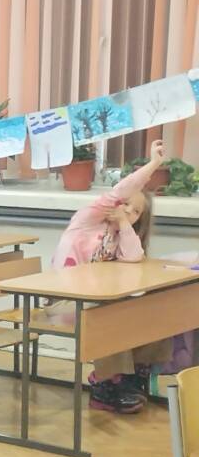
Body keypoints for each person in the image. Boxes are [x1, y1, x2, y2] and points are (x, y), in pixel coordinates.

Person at [52, 138, 173, 412]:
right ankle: (105, 384)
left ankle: (132, 379)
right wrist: (154, 163)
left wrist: (123, 224)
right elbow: (122, 189)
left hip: (95, 301)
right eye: (126, 204)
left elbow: (134, 256)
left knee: (155, 308)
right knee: (112, 315)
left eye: (136, 212)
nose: (128, 211)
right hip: (64, 303)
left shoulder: (120, 234)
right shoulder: (87, 221)